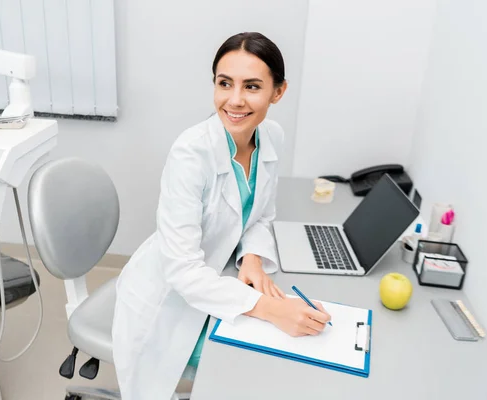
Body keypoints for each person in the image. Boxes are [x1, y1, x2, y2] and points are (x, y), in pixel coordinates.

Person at [112, 32, 331, 400]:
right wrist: (271, 309)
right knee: (247, 369)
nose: (235, 100)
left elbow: (261, 214)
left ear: (278, 92)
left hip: (221, 278)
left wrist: (253, 258)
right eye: (224, 83)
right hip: (167, 299)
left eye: (252, 86)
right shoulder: (190, 154)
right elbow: (181, 270)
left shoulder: (271, 136)